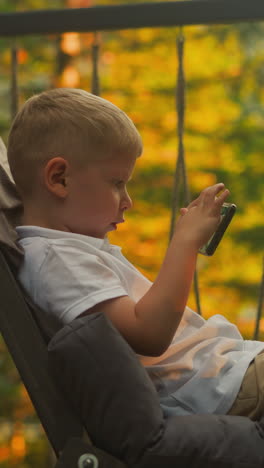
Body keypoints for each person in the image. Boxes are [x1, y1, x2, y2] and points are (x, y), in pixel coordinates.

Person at [7, 88, 264, 421]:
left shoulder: (67, 252)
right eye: (117, 183)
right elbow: (150, 335)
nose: (127, 200)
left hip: (225, 373)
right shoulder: (56, 261)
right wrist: (184, 244)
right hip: (215, 390)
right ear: (59, 178)